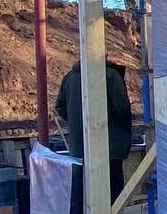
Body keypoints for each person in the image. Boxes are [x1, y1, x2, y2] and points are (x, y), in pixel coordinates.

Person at [54, 59, 133, 195]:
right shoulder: (111, 75)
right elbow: (122, 108)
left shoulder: (70, 77)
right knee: (112, 190)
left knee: (82, 191)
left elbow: (60, 106)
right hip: (110, 146)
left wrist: (77, 123)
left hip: (80, 146)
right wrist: (124, 128)